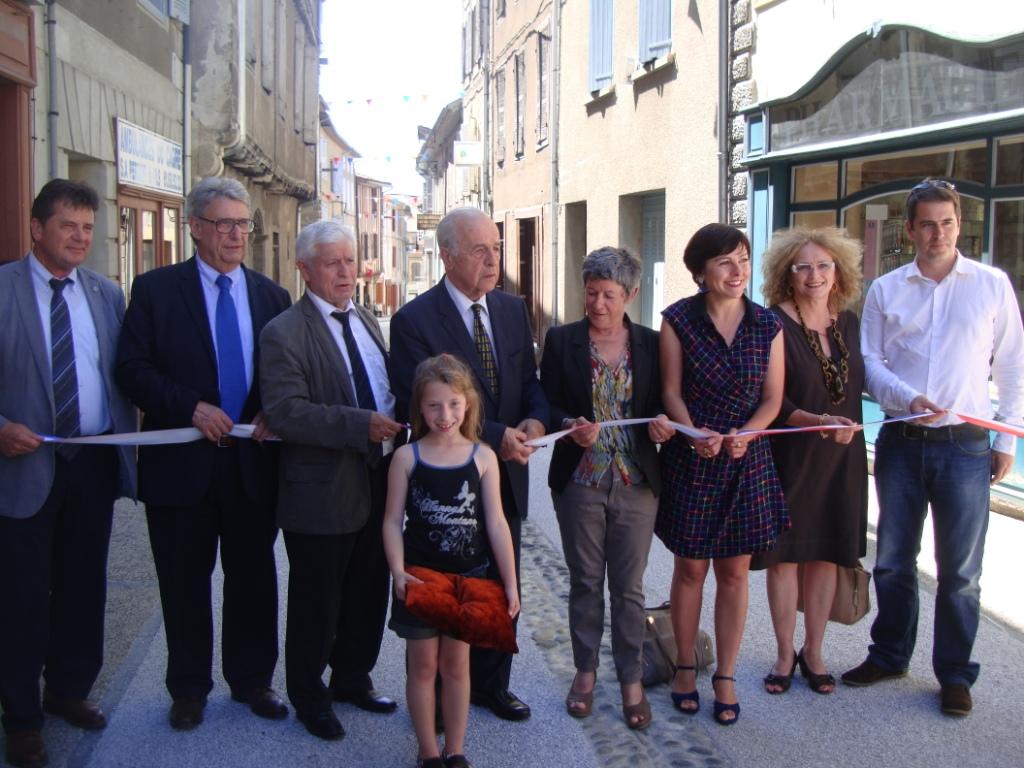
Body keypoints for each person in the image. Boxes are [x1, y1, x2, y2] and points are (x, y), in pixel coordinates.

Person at [842, 179, 1024, 716]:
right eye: (927, 223)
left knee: (961, 574)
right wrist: (906, 397)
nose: (937, 233)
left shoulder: (991, 285)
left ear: (959, 225)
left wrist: (1007, 435)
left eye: (947, 222)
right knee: (894, 561)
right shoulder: (886, 289)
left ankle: (955, 675)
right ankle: (890, 654)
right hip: (900, 441)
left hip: (966, 447)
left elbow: (1012, 365)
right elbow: (869, 364)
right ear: (910, 229)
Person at [115, 177, 291, 731]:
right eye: (224, 223)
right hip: (181, 467)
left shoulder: (271, 296)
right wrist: (189, 407)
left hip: (250, 465)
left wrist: (271, 411)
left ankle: (252, 681)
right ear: (194, 228)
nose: (236, 234)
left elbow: (281, 375)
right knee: (183, 581)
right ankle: (188, 687)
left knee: (253, 578)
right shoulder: (155, 291)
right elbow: (132, 370)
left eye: (243, 224)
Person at [389, 207, 548, 722]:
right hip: (445, 481)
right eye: (479, 250)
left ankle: (491, 686)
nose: (492, 259)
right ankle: (439, 694)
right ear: (447, 255)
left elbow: (529, 382)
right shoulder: (414, 321)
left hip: (507, 473)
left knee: (500, 581)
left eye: (496, 248)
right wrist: (498, 436)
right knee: (448, 583)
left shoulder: (510, 309)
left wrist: (536, 421)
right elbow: (424, 407)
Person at [0, 180, 137, 768]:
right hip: (24, 468)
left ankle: (68, 690)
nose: (80, 237)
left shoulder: (106, 294)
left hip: (91, 465)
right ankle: (22, 718)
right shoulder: (3, 289)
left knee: (84, 588)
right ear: (37, 229)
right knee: (22, 598)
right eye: (67, 226)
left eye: (87, 227)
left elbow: (120, 375)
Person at [258, 220, 404, 740]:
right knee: (318, 600)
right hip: (321, 490)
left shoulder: (364, 318)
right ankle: (308, 693)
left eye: (348, 260)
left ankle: (352, 678)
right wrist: (359, 425)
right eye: (331, 262)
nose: (345, 271)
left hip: (379, 480)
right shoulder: (284, 332)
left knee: (369, 587)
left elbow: (384, 387)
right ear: (304, 269)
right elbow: (286, 411)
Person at [656, 223, 788, 726]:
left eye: (744, 260)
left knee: (734, 573)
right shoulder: (677, 321)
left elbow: (773, 399)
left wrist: (748, 433)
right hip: (695, 458)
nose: (738, 271)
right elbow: (670, 392)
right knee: (690, 571)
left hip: (746, 459)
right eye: (725, 262)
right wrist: (694, 433)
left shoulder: (766, 325)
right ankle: (685, 665)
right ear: (700, 273)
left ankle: (726, 675)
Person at [539, 246, 674, 730]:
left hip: (636, 481)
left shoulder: (654, 344)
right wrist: (566, 422)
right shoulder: (562, 340)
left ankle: (632, 680)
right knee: (586, 582)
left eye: (609, 295)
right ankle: (585, 672)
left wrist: (664, 426)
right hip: (580, 481)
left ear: (631, 294)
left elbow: (665, 405)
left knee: (630, 589)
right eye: (591, 292)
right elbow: (546, 399)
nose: (597, 304)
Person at [383, 354, 520, 768]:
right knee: (423, 666)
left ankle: (455, 750)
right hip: (421, 579)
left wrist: (510, 584)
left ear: (468, 404)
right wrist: (397, 570)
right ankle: (428, 752)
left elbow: (496, 523)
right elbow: (391, 521)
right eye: (434, 406)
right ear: (419, 408)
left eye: (454, 405)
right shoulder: (408, 458)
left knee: (458, 665)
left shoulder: (483, 457)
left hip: (469, 580)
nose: (445, 415)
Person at [750, 227, 868, 696]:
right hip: (792, 454)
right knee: (785, 557)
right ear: (786, 273)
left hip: (842, 458)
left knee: (826, 554)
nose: (814, 275)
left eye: (823, 265)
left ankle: (814, 651)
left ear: (838, 270)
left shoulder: (851, 322)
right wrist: (814, 420)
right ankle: (783, 654)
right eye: (803, 266)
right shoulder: (771, 323)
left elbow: (867, 378)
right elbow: (770, 401)